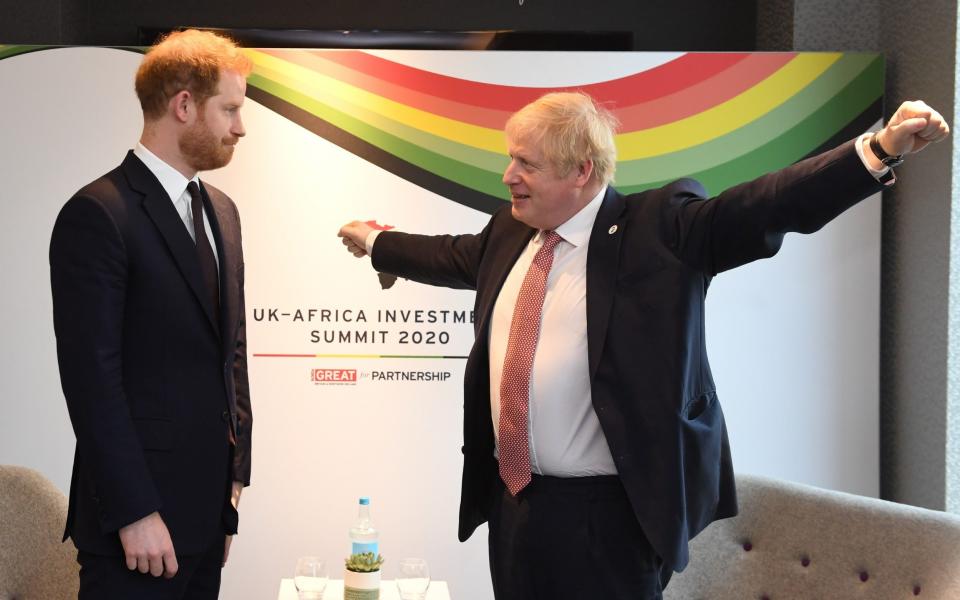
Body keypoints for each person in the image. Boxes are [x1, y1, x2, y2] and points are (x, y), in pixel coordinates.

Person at [338, 91, 949, 599]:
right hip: (515, 506)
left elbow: (769, 202)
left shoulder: (663, 230)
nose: (508, 177)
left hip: (609, 518)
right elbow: (447, 255)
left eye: (525, 163)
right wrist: (374, 242)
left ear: (582, 171)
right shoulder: (510, 231)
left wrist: (875, 150)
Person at [50, 29, 253, 599]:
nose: (240, 127)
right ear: (183, 104)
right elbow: (92, 381)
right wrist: (134, 511)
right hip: (135, 531)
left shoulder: (223, 212)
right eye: (230, 109)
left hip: (206, 519)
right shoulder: (97, 213)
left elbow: (230, 354)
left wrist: (233, 486)